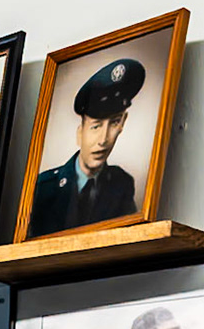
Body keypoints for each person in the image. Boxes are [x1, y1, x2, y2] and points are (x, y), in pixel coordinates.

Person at [31, 58, 144, 234]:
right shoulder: (43, 188)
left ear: (123, 123)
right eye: (96, 126)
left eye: (114, 123)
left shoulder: (122, 184)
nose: (103, 140)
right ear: (80, 132)